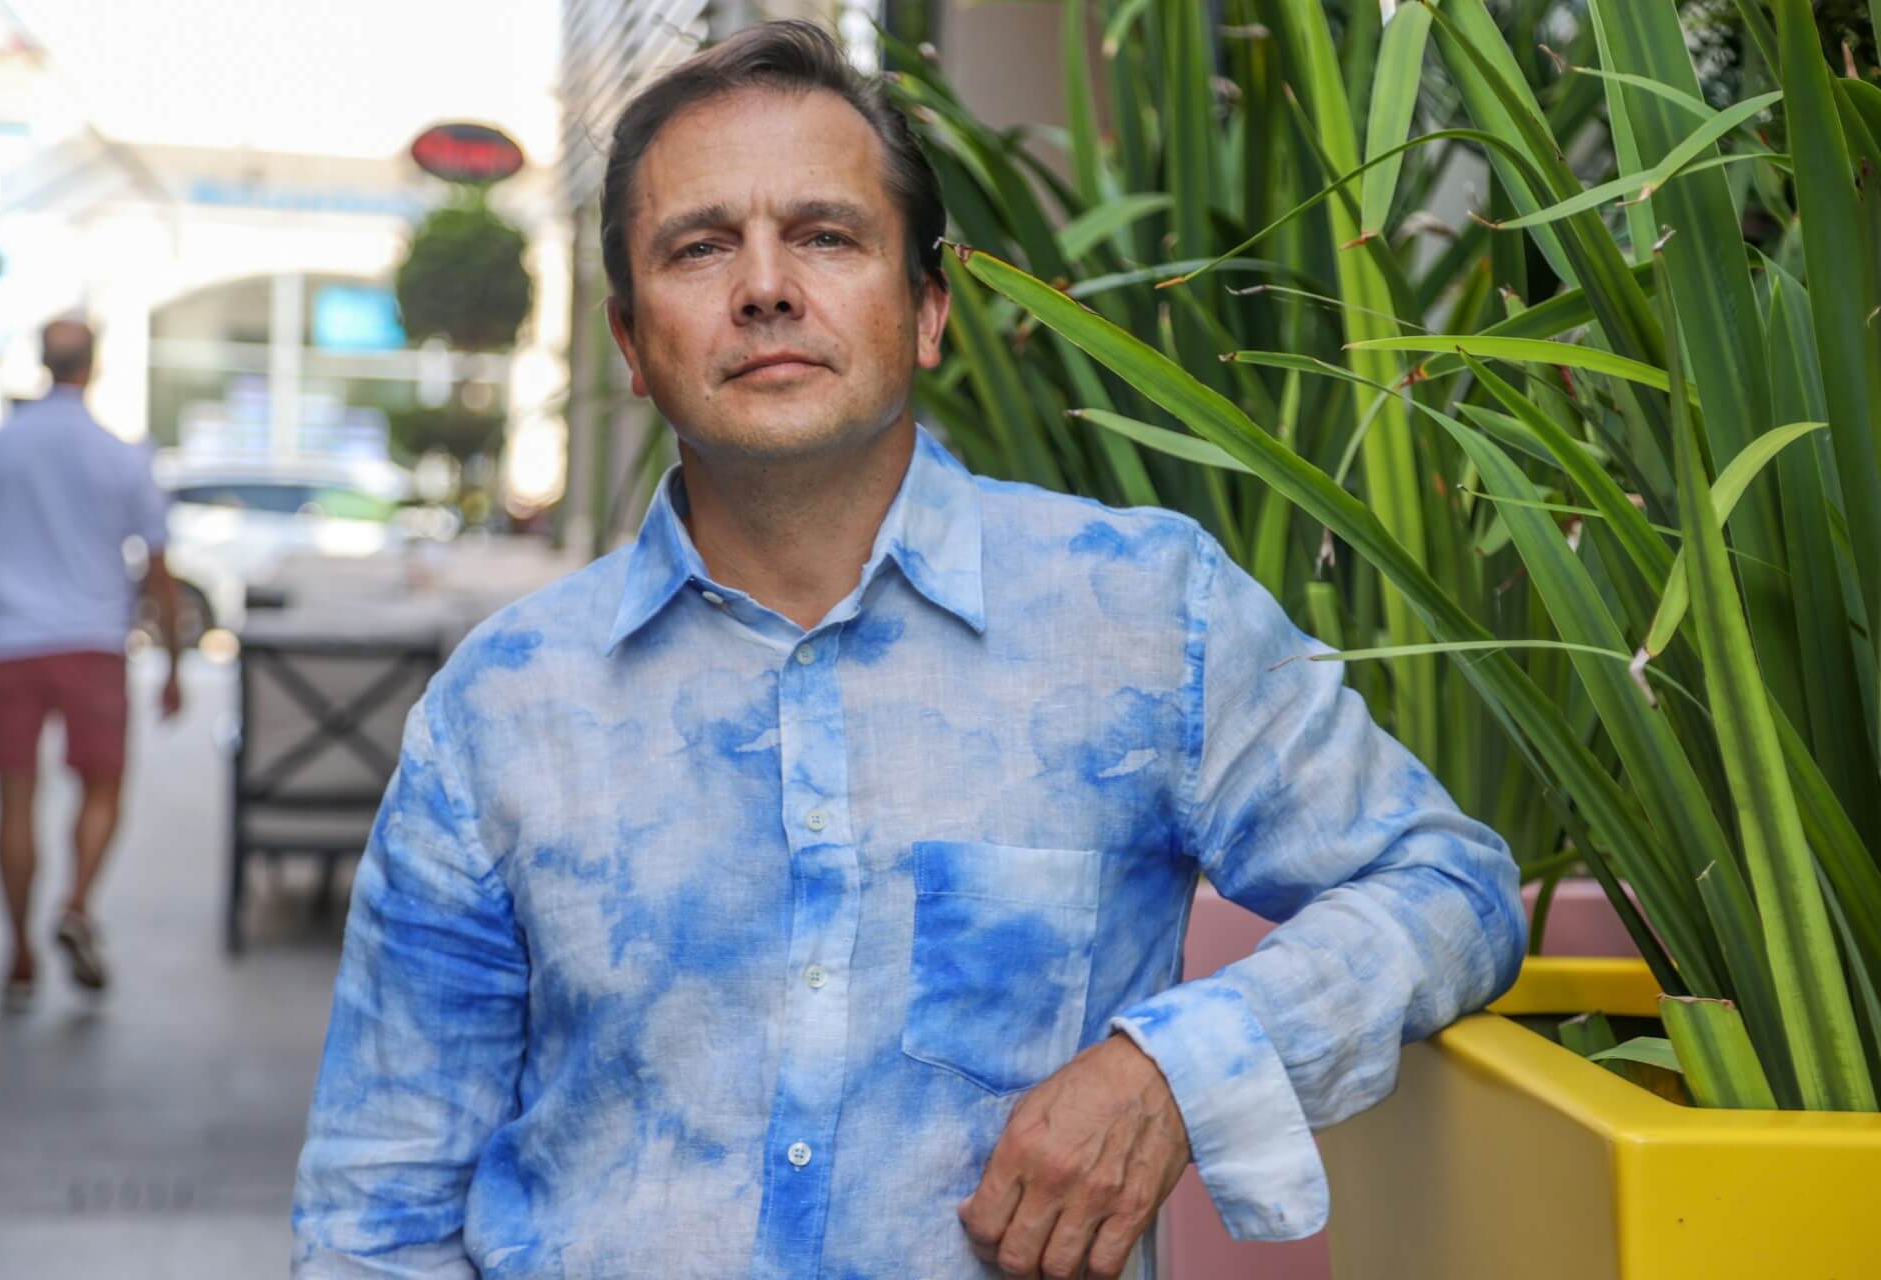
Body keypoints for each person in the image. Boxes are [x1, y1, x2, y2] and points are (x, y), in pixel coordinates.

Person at [292, 21, 1523, 1280]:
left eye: (826, 236)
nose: (765, 285)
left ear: (928, 309)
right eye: (701, 245)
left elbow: (1449, 885)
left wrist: (1174, 1067)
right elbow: (377, 1212)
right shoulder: (504, 706)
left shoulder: (1148, 614)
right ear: (630, 344)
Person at [0, 318, 183, 1012]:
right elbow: (159, 570)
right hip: (92, 641)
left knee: (15, 798)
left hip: (8, 641)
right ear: (94, 367)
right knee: (103, 786)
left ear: (39, 362)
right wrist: (175, 661)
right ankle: (78, 904)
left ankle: (21, 954)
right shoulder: (120, 454)